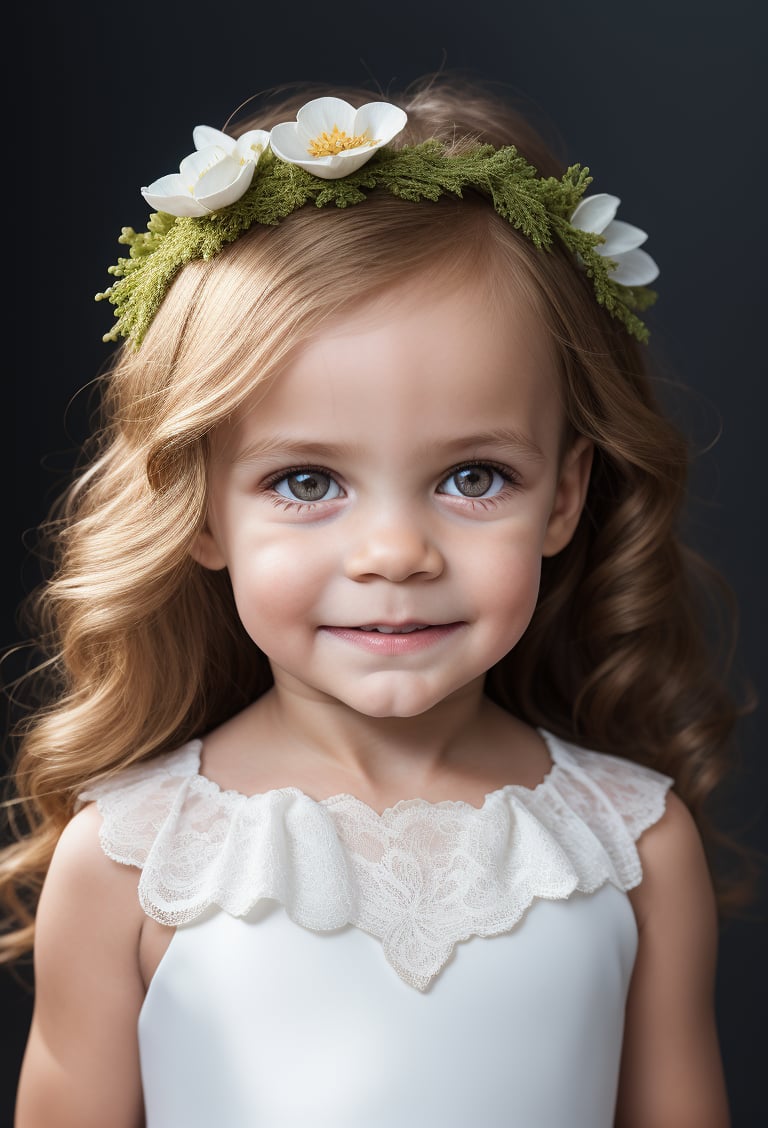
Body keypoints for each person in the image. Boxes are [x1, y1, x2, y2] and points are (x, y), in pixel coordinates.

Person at [2, 75, 745, 1127]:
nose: (395, 552)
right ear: (201, 511)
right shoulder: (132, 856)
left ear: (565, 497)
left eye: (473, 476)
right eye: (307, 482)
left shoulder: (630, 847)